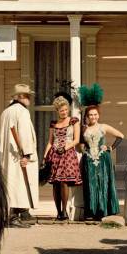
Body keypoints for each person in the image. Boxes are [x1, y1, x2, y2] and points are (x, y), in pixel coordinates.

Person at [0, 84, 39, 228]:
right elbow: (24, 133)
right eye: (27, 96)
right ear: (21, 97)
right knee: (19, 184)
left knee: (14, 184)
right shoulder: (21, 111)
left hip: (9, 156)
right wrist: (27, 154)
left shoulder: (6, 112)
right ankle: (14, 217)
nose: (29, 99)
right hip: (18, 154)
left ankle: (21, 212)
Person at [81, 105, 124, 220]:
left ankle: (104, 211)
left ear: (98, 115)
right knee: (91, 184)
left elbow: (120, 136)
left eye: (95, 114)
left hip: (103, 159)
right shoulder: (84, 128)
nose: (93, 116)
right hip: (89, 159)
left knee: (103, 182)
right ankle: (92, 212)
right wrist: (84, 150)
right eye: (90, 114)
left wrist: (110, 147)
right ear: (87, 116)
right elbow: (81, 143)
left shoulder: (103, 127)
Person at [43, 93, 81, 221]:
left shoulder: (73, 120)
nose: (64, 112)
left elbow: (76, 140)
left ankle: (64, 210)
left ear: (68, 109)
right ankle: (58, 212)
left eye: (65, 109)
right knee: (55, 183)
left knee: (64, 181)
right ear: (57, 111)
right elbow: (50, 141)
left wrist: (64, 147)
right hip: (54, 154)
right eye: (61, 110)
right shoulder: (53, 124)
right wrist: (45, 155)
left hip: (67, 154)